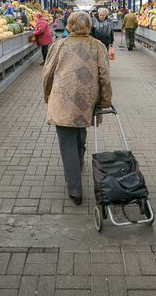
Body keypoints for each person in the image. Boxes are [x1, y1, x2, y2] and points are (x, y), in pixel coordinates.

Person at [42, 11, 112, 205]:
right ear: (89, 26)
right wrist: (104, 101)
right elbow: (105, 77)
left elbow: (47, 74)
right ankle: (78, 165)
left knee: (67, 143)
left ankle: (75, 188)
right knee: (80, 134)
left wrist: (47, 95)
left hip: (62, 100)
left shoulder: (59, 45)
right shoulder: (98, 46)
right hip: (86, 102)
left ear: (69, 26)